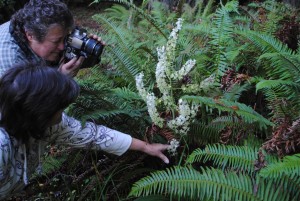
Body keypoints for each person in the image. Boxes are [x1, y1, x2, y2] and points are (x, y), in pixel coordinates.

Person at [0, 63, 170, 199]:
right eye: (60, 107)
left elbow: (93, 135)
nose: (64, 111)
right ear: (40, 112)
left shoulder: (41, 123)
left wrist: (145, 147)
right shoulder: (2, 146)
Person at [0, 0, 99, 77]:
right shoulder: (12, 62)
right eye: (56, 42)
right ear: (30, 36)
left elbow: (68, 59)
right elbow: (28, 101)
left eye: (65, 38)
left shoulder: (33, 27)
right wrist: (60, 78)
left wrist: (87, 52)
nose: (62, 47)